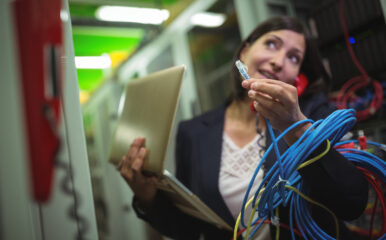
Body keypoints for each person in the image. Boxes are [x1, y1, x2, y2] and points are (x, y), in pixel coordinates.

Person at [118, 16, 368, 239]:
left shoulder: (317, 119)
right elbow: (191, 230)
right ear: (244, 52)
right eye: (271, 44)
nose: (279, 62)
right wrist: (147, 198)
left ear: (298, 79)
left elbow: (351, 204)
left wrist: (296, 128)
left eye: (294, 58)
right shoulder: (193, 133)